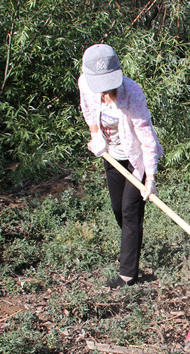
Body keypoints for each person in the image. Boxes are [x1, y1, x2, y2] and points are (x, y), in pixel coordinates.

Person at [79, 44, 163, 288]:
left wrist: (150, 179)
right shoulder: (85, 83)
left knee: (129, 210)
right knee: (119, 210)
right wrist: (95, 135)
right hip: (112, 156)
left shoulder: (132, 93)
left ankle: (128, 275)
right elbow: (88, 109)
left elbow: (147, 138)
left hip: (137, 159)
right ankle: (132, 240)